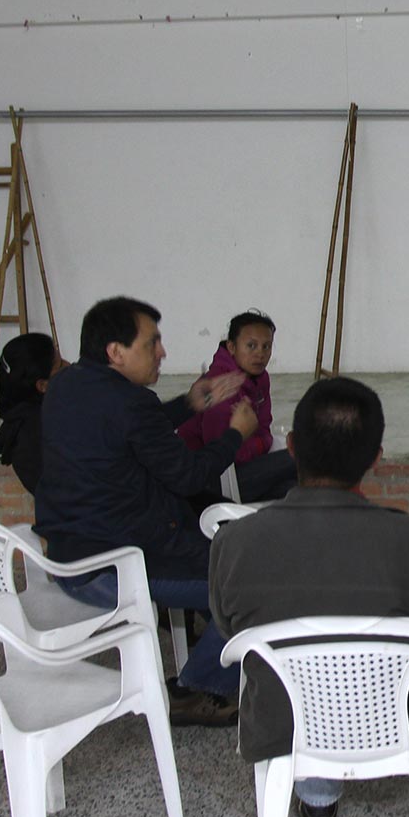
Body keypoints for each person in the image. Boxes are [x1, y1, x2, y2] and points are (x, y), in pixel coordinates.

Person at [209, 376, 409, 817]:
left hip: (287, 719)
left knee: (285, 651)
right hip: (407, 716)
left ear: (291, 447)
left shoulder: (234, 543)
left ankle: (317, 800)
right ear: (376, 458)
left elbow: (230, 630)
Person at [34, 296, 257, 726]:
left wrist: (188, 405)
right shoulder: (129, 403)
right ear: (115, 352)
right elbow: (188, 476)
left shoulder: (67, 385)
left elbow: (129, 427)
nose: (162, 352)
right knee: (251, 582)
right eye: (151, 343)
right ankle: (195, 688)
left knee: (226, 551)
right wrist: (235, 435)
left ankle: (223, 648)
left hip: (69, 555)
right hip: (118, 565)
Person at [177, 309, 300, 504]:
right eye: (251, 346)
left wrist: (258, 442)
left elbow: (264, 427)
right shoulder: (219, 386)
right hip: (211, 482)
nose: (260, 353)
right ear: (232, 347)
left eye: (267, 346)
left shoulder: (261, 378)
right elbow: (220, 455)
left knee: (295, 489)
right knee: (303, 455)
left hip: (244, 468)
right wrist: (259, 444)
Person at [0, 332, 60, 496]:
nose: (69, 365)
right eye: (60, 366)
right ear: (42, 386)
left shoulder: (28, 420)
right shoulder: (36, 439)